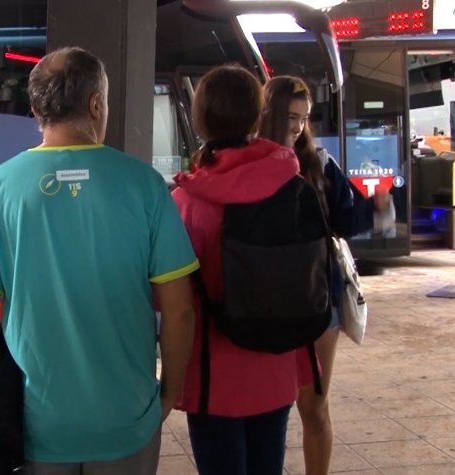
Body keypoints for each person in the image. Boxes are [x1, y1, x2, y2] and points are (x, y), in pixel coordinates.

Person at [0, 46, 197, 474]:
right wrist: (167, 396)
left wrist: (5, 399)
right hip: (127, 421)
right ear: (96, 103)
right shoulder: (146, 187)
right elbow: (178, 312)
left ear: (36, 110)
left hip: (34, 427)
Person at [172, 65, 315, 475]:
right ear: (258, 116)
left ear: (201, 120)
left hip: (213, 375)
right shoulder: (291, 185)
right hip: (276, 361)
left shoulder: (186, 201)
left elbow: (168, 296)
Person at [259, 75, 393, 475]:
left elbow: (345, 219)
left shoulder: (318, 162)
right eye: (290, 116)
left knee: (313, 404)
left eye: (304, 118)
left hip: (319, 296)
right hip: (262, 299)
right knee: (269, 405)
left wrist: (379, 207)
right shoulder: (247, 161)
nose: (298, 126)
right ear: (269, 114)